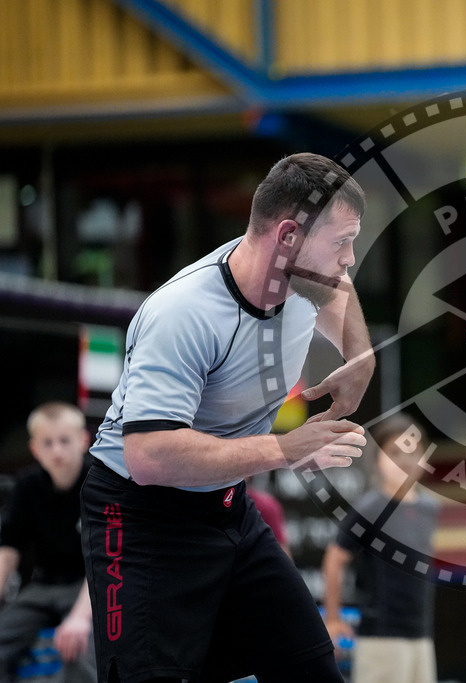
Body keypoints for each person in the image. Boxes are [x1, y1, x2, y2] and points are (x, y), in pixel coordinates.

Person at [81, 153, 376, 683]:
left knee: (312, 668)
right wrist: (287, 448)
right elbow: (148, 456)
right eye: (340, 243)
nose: (349, 259)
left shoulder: (308, 279)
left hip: (227, 507)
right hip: (143, 515)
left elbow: (341, 294)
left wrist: (362, 356)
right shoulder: (183, 313)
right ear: (288, 236)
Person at [321, 414, 440, 683]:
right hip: (381, 637)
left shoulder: (429, 508)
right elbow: (335, 559)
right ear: (379, 459)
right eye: (395, 452)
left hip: (421, 635)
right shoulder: (370, 508)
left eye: (412, 451)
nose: (404, 460)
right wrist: (332, 618)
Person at [0, 402, 95, 683]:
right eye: (47, 443)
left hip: (87, 586)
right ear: (35, 449)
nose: (56, 450)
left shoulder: (99, 484)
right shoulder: (26, 486)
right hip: (42, 587)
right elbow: (8, 550)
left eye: (64, 440)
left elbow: (106, 558)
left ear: (83, 440)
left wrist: (80, 618)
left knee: (81, 649)